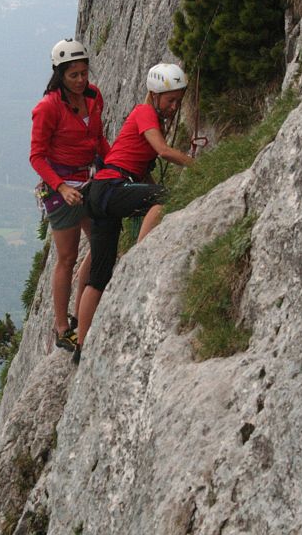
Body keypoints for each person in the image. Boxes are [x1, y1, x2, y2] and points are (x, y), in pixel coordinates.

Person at [73, 63, 194, 364]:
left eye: (178, 100)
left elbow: (144, 172)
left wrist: (151, 188)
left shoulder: (150, 116)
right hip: (112, 187)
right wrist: (199, 165)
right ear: (154, 95)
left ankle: (81, 345)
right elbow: (163, 151)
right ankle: (142, 257)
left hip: (101, 193)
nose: (174, 106)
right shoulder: (145, 113)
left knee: (100, 274)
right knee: (165, 198)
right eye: (171, 100)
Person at [30, 38, 110, 351]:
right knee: (66, 256)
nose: (80, 80)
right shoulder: (48, 107)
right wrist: (62, 188)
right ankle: (62, 326)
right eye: (73, 75)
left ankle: (82, 308)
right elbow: (36, 156)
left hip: (89, 178)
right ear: (59, 74)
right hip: (60, 185)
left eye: (83, 73)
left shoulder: (94, 96)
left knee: (102, 239)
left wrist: (114, 164)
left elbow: (98, 139)